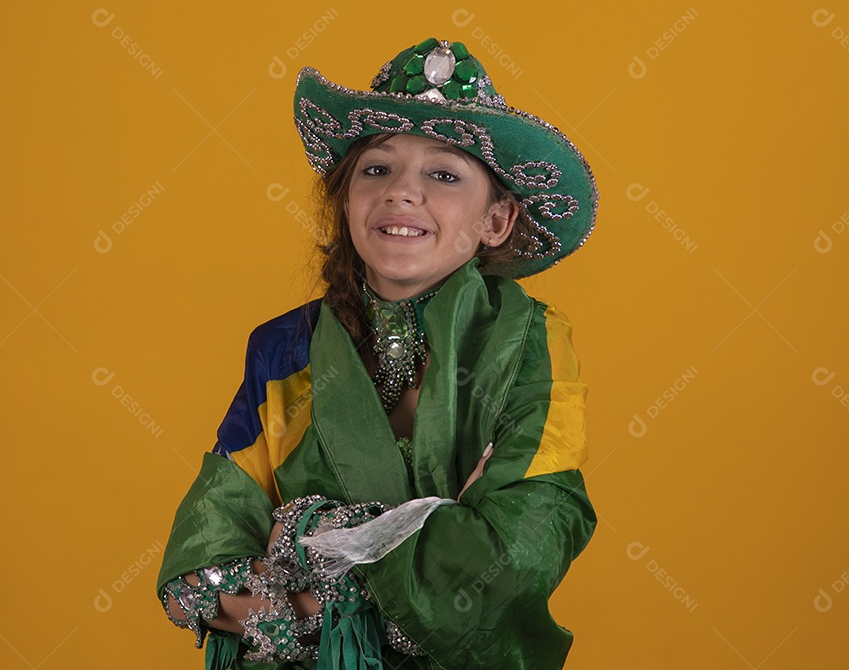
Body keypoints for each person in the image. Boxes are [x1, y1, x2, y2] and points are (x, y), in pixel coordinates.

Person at [156, 37, 599, 670]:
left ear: (496, 221)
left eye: (443, 175)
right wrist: (424, 530)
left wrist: (303, 552)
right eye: (376, 169)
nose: (401, 193)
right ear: (345, 198)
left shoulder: (532, 343)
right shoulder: (282, 349)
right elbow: (196, 573)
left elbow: (515, 556)